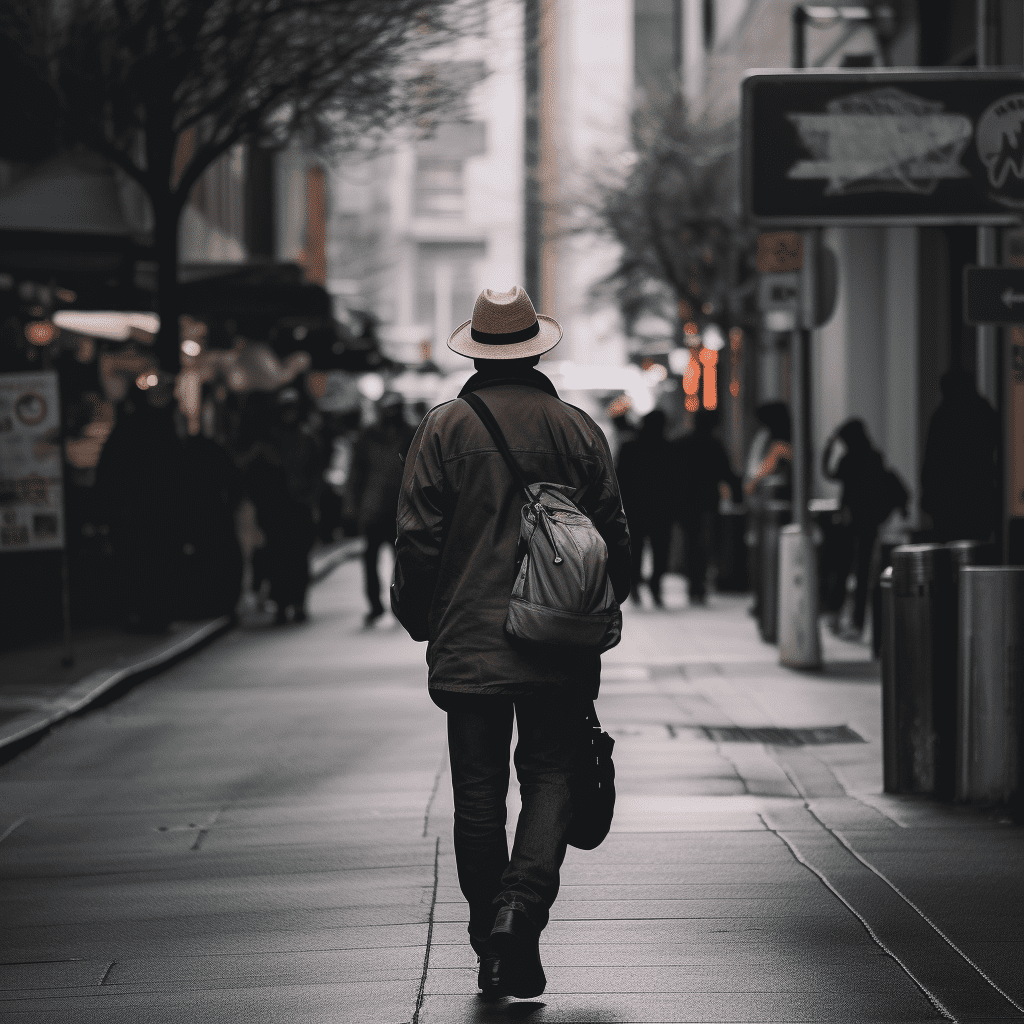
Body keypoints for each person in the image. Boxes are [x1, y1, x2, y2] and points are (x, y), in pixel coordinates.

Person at [392, 286, 630, 1001]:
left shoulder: (442, 429)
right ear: (535, 346)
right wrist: (597, 609)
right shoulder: (577, 428)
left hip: (468, 639)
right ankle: (519, 913)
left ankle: (489, 942)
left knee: (477, 795)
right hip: (556, 641)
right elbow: (615, 538)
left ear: (477, 348)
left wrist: (416, 614)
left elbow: (416, 539)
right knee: (552, 775)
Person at [96, 377, 186, 632]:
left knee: (138, 567)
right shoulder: (163, 431)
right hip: (157, 516)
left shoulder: (127, 432)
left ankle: (143, 613)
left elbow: (108, 475)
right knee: (157, 566)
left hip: (135, 517)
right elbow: (179, 476)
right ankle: (158, 613)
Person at [242, 387, 323, 624]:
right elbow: (253, 477)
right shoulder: (268, 443)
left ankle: (297, 601)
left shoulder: (307, 438)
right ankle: (280, 602)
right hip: (275, 509)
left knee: (298, 557)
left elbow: (316, 474)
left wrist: (311, 500)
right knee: (277, 558)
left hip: (299, 507)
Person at [821, 418, 899, 636]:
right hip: (868, 522)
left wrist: (829, 445)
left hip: (851, 521)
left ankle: (838, 614)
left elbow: (828, 473)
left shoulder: (850, 459)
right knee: (863, 571)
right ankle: (856, 622)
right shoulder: (874, 457)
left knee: (844, 567)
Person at [350, 391, 417, 627]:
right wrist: (354, 506)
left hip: (400, 507)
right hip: (373, 507)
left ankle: (396, 603)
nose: (391, 412)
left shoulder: (411, 433)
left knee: (400, 559)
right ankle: (375, 605)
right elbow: (356, 473)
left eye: (395, 407)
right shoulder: (368, 436)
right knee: (370, 559)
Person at [921, 368, 1000, 543]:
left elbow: (932, 461)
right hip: (977, 492)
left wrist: (928, 493)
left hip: (951, 497)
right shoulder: (982, 411)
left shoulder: (943, 416)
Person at [674, 407, 741, 606]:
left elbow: (672, 474)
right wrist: (738, 497)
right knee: (705, 543)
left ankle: (694, 583)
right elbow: (727, 473)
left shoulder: (682, 444)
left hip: (685, 502)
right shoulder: (715, 445)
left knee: (691, 542)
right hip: (708, 502)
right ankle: (699, 583)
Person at [615, 408, 673, 606]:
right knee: (660, 549)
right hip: (661, 507)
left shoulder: (629, 447)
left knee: (635, 549)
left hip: (634, 507)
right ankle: (655, 587)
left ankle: (635, 586)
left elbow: (618, 478)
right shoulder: (668, 448)